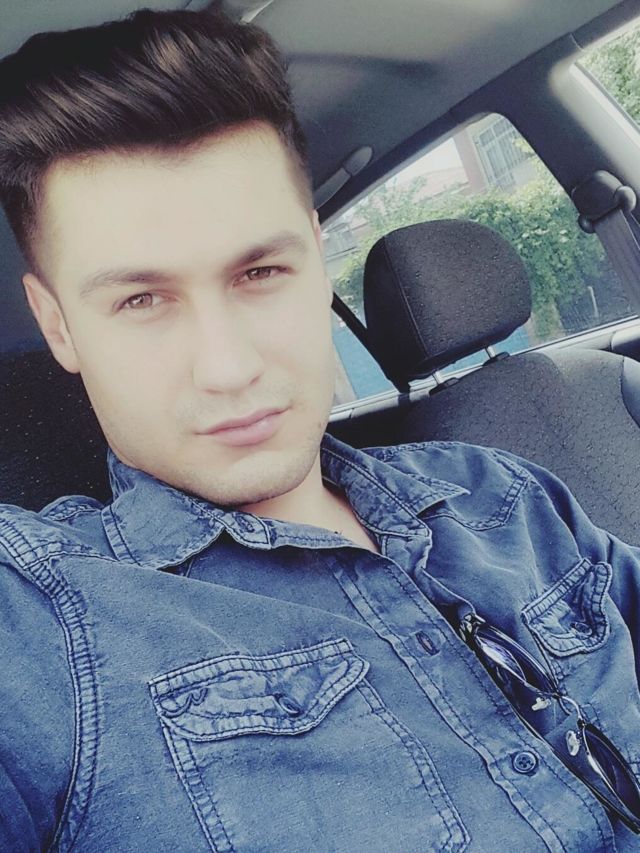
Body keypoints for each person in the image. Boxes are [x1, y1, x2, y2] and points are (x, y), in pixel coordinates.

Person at [0, 7, 639, 852]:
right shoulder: (39, 619)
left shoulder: (506, 495)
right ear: (58, 325)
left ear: (314, 257)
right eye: (141, 299)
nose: (229, 366)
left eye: (261, 271)